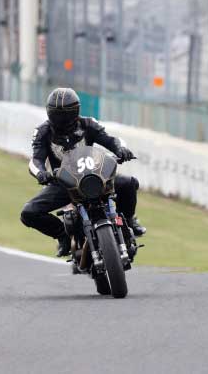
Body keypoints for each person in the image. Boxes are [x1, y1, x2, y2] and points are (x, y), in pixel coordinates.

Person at [20, 88, 146, 257]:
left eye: (66, 114)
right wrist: (41, 173)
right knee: (28, 213)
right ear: (49, 113)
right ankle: (63, 236)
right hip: (63, 184)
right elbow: (36, 160)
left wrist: (120, 149)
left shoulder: (88, 124)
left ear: (76, 111)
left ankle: (129, 220)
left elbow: (111, 140)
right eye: (57, 115)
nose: (62, 119)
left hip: (95, 176)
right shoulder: (42, 132)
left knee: (130, 183)